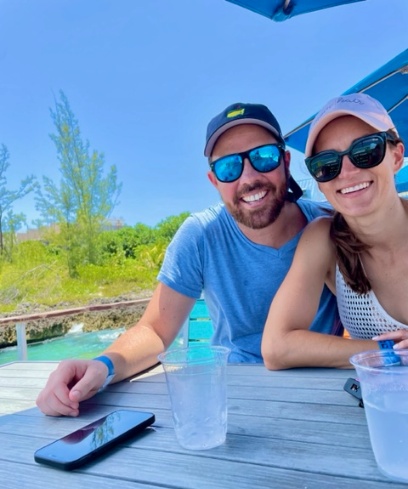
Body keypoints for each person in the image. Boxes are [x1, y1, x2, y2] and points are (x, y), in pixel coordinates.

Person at [36, 102, 342, 416]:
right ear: (214, 181)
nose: (249, 177)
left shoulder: (332, 226)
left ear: (286, 162)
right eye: (229, 167)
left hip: (325, 382)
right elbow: (155, 331)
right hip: (237, 392)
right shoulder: (200, 236)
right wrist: (102, 366)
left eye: (264, 157)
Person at [262, 93, 407, 370]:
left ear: (397, 156)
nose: (347, 171)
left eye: (365, 151)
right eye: (326, 164)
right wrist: (392, 353)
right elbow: (277, 347)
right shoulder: (325, 239)